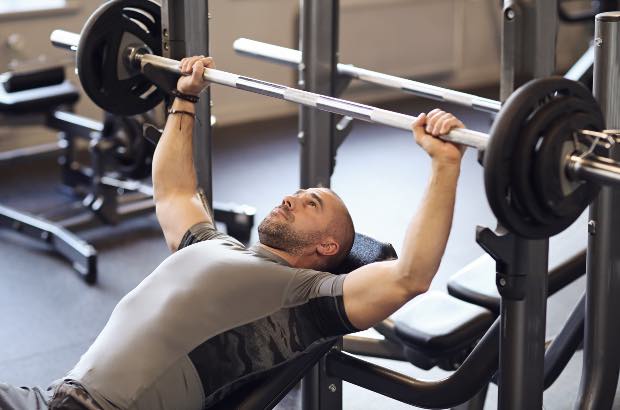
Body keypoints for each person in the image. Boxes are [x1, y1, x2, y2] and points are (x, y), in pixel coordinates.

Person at [0, 56, 466, 410]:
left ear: (327, 246)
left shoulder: (308, 299)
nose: (290, 198)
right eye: (297, 191)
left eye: (311, 203)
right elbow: (173, 191)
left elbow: (409, 276)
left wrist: (444, 165)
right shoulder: (212, 244)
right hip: (51, 397)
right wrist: (185, 98)